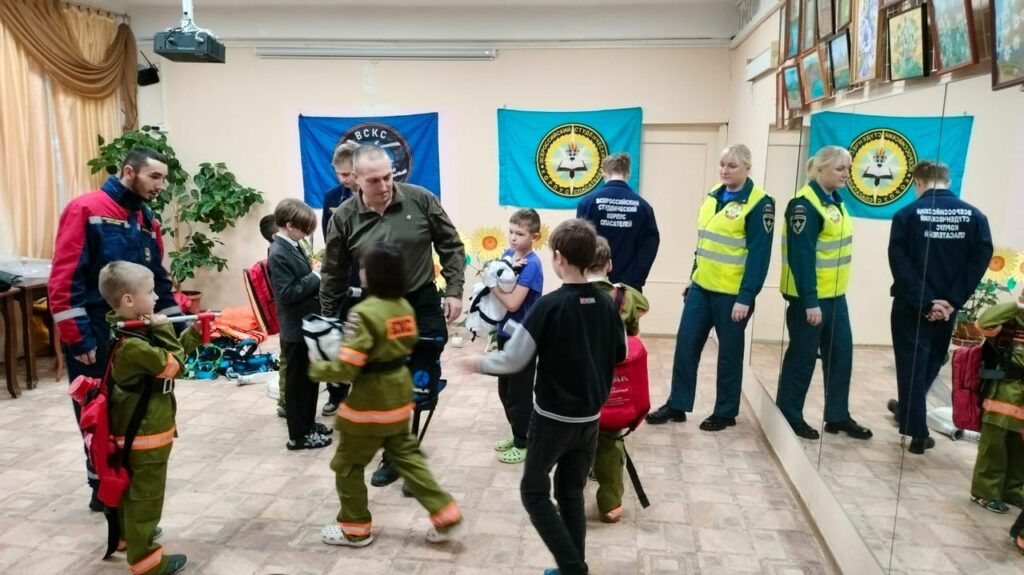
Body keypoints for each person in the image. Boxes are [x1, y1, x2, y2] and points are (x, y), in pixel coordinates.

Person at [463, 219, 627, 575]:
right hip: (590, 421)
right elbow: (620, 353)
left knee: (534, 493)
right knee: (570, 493)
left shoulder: (549, 307)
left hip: (552, 420)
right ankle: (573, 568)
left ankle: (573, 567)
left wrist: (478, 363)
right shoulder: (606, 305)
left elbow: (513, 360)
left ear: (559, 258)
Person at [320, 144, 465, 486]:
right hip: (377, 307)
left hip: (421, 299)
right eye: (374, 180)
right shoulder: (344, 216)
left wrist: (454, 290)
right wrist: (327, 319)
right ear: (355, 179)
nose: (384, 186)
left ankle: (406, 449)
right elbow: (333, 271)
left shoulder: (421, 200)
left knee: (420, 385)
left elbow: (451, 245)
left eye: (388, 177)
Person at [49, 146, 182, 511]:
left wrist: (173, 323)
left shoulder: (146, 218)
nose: (160, 185)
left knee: (131, 410)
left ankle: (126, 479)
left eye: (163, 178)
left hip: (136, 333)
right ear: (128, 172)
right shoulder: (85, 209)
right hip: (94, 332)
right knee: (98, 413)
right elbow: (64, 279)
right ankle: (103, 490)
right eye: (154, 176)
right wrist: (78, 338)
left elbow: (157, 278)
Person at [309, 243, 464, 547]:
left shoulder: (363, 313)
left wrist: (317, 367)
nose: (360, 272)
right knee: (408, 459)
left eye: (363, 267)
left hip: (369, 400)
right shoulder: (404, 307)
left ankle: (354, 528)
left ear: (373, 274)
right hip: (398, 391)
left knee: (348, 465)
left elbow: (348, 366)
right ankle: (447, 516)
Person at [646, 145, 775, 431]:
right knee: (686, 345)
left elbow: (759, 256)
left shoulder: (760, 203)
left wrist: (746, 297)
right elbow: (704, 242)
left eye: (732, 166)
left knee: (729, 354)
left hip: (732, 295)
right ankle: (677, 404)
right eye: (722, 164)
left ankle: (726, 412)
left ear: (747, 168)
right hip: (702, 289)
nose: (725, 170)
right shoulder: (714, 194)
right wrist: (693, 277)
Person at [99, 261, 200, 575]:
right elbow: (174, 366)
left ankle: (128, 535)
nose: (157, 297)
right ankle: (147, 561)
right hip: (145, 434)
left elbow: (167, 359)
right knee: (147, 496)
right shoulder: (132, 344)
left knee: (133, 490)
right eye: (151, 291)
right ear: (128, 300)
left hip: (139, 428)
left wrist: (194, 335)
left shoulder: (133, 329)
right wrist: (164, 328)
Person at [886, 160, 993, 454]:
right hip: (947, 309)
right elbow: (978, 262)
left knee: (911, 364)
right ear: (948, 181)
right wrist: (950, 301)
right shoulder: (975, 217)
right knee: (932, 359)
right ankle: (908, 410)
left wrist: (925, 301)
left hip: (911, 306)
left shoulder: (907, 214)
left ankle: (916, 430)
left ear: (918, 183)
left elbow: (899, 263)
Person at [776, 145, 872, 441]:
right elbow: (802, 258)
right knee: (803, 358)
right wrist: (810, 302)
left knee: (841, 356)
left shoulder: (834, 202)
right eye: (840, 168)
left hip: (835, 296)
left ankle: (837, 416)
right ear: (820, 170)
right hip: (809, 299)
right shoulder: (804, 205)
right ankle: (789, 415)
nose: (846, 174)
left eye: (848, 168)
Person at [586, 236, 649, 523]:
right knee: (610, 441)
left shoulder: (568, 296)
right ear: (609, 265)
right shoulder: (625, 297)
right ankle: (610, 505)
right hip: (612, 384)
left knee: (573, 441)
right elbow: (637, 322)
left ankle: (566, 497)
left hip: (578, 384)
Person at [268, 199, 332, 451]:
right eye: (304, 229)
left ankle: (308, 424)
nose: (306, 234)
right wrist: (315, 276)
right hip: (295, 329)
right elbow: (287, 293)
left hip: (307, 325)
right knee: (297, 387)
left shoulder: (292, 245)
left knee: (310, 382)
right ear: (290, 225)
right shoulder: (278, 252)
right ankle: (298, 435)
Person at [490, 208, 544, 464]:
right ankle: (517, 433)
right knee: (505, 390)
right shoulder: (508, 255)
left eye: (520, 234)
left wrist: (491, 284)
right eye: (511, 231)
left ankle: (525, 442)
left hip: (523, 337)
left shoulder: (532, 265)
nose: (513, 237)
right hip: (505, 332)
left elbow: (512, 303)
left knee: (519, 394)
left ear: (534, 236)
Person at [969, 290, 1024, 513]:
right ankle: (985, 492)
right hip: (1003, 394)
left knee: (1020, 449)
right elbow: (983, 323)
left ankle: (1013, 491)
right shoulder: (1010, 319)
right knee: (994, 446)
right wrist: (1016, 306)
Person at [319, 141, 362, 417]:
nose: (343, 180)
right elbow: (329, 239)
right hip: (342, 281)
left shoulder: (376, 197)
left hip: (369, 281)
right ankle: (336, 395)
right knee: (337, 339)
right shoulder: (332, 198)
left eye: (347, 174)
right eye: (339, 174)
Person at [576, 152, 660, 291]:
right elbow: (650, 245)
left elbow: (579, 242)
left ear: (604, 174)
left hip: (593, 281)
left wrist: (584, 273)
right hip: (628, 286)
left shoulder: (587, 203)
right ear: (628, 174)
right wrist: (634, 278)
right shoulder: (644, 207)